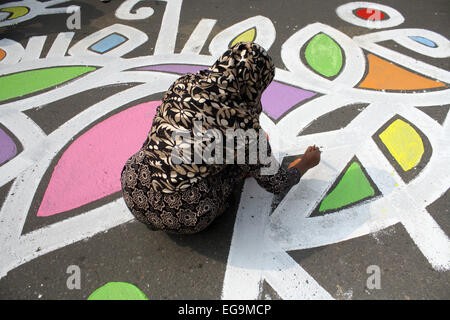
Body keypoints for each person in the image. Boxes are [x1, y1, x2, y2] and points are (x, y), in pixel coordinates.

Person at [120, 42, 321, 234]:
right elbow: (278, 184)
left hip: (134, 189)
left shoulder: (183, 84)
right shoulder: (245, 129)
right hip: (185, 215)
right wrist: (304, 163)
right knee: (236, 165)